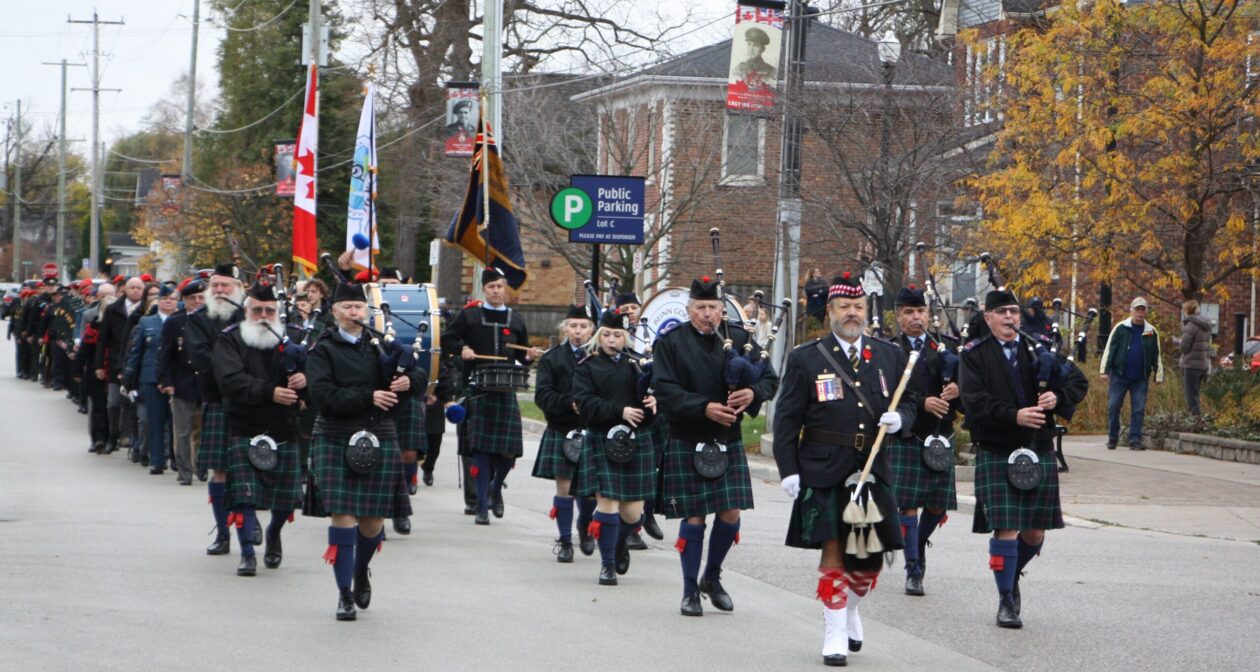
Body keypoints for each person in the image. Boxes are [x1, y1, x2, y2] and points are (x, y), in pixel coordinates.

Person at [773, 272, 916, 666]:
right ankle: (834, 630)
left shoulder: (889, 355)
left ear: (865, 311)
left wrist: (901, 419)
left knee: (869, 560)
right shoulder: (807, 357)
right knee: (833, 549)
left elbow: (912, 402)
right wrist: (788, 469)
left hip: (870, 470)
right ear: (830, 313)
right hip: (823, 467)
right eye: (844, 307)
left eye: (858, 307)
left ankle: (850, 608)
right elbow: (786, 420)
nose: (851, 314)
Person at [959, 289, 1088, 629]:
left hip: (1037, 448)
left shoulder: (1037, 349)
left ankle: (1011, 575)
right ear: (987, 317)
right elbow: (974, 402)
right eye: (1001, 312)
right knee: (1006, 528)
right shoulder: (975, 355)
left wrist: (1055, 396)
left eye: (1014, 311)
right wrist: (1014, 415)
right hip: (998, 449)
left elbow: (1078, 381)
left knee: (1033, 535)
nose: (1009, 318)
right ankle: (1006, 602)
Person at [652, 275, 779, 617]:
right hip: (687, 436)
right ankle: (690, 589)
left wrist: (753, 393)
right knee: (694, 516)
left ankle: (712, 576)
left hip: (727, 439)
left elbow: (770, 378)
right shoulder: (671, 342)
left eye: (713, 307)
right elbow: (663, 388)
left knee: (731, 512)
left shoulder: (741, 340)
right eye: (700, 307)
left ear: (723, 310)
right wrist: (702, 407)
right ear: (689, 308)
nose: (707, 314)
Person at [306, 281, 420, 620]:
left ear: (367, 311)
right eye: (348, 308)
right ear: (335, 312)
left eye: (359, 307)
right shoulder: (321, 348)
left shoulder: (379, 346)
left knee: (372, 522)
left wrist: (407, 382)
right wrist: (367, 396)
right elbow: (322, 395)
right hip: (335, 434)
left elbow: (418, 378)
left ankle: (359, 569)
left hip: (379, 432)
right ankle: (343, 594)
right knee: (342, 516)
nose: (355, 313)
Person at [213, 282, 306, 577]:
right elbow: (230, 380)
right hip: (245, 423)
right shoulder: (230, 340)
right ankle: (247, 554)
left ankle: (275, 531)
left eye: (270, 310)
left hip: (283, 425)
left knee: (284, 497)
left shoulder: (294, 339)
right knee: (245, 496)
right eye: (257, 309)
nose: (263, 315)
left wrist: (305, 383)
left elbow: (318, 374)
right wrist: (270, 392)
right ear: (246, 310)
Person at [441, 267, 542, 525]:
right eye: (491, 287)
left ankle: (495, 489)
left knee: (508, 452)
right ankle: (481, 507)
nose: (496, 291)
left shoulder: (516, 319)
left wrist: (528, 357)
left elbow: (521, 356)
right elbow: (447, 341)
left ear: (505, 288)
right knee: (481, 451)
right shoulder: (469, 316)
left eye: (499, 286)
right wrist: (462, 349)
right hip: (478, 389)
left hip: (506, 390)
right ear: (484, 290)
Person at [572, 309, 658, 585]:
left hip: (636, 441)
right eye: (606, 334)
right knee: (607, 505)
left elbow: (657, 400)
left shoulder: (639, 365)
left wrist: (656, 404)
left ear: (626, 336)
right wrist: (619, 411)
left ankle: (621, 540)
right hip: (602, 438)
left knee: (634, 515)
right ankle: (607, 564)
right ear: (598, 335)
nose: (611, 340)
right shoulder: (587, 366)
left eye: (618, 335)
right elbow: (584, 404)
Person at [890, 286, 958, 597]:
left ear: (928, 315)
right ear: (898, 316)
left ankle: (915, 545)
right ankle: (913, 567)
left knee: (937, 504)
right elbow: (886, 390)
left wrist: (959, 391)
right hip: (908, 434)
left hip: (940, 436)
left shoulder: (946, 348)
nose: (916, 317)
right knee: (907, 507)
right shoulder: (889, 350)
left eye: (921, 312)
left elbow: (972, 388)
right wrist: (922, 402)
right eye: (909, 312)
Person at [187, 264, 248, 555]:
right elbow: (202, 358)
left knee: (252, 470)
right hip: (220, 400)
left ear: (238, 286)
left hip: (254, 403)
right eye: (216, 285)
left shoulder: (256, 315)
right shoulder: (200, 319)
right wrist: (239, 376)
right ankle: (223, 534)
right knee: (220, 471)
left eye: (226, 285)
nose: (220, 291)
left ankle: (248, 521)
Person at [531, 305, 598, 562]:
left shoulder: (598, 356)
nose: (578, 331)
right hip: (563, 428)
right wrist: (568, 404)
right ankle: (565, 540)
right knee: (565, 488)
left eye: (583, 327)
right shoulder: (552, 358)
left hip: (593, 429)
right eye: (573, 326)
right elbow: (542, 395)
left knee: (590, 490)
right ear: (564, 328)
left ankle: (585, 526)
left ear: (591, 330)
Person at [613, 291, 662, 547]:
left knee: (652, 469)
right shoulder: (615, 336)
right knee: (627, 471)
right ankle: (632, 529)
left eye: (634, 307)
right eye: (625, 308)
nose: (630, 311)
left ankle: (648, 513)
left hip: (653, 411)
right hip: (626, 410)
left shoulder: (653, 331)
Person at [124, 284, 178, 475]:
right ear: (158, 301)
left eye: (172, 298)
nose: (168, 301)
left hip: (175, 378)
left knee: (175, 422)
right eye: (164, 298)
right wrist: (130, 375)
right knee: (154, 420)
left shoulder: (182, 321)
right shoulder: (147, 322)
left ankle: (176, 458)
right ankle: (157, 460)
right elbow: (136, 351)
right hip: (150, 377)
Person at [1099, 297, 1163, 450]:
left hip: (1140, 377)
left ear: (1146, 311)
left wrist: (1158, 374)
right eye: (1137, 309)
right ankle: (1113, 438)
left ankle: (1135, 440)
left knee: (1138, 409)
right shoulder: (1121, 328)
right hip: (1119, 375)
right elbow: (1110, 349)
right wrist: (1104, 370)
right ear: (1131, 310)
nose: (1140, 312)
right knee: (1113, 406)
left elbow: (1156, 354)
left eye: (1143, 309)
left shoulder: (1151, 332)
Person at [158, 279, 206, 484]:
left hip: (205, 382)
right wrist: (166, 380)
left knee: (203, 429)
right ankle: (185, 471)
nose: (197, 301)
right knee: (183, 430)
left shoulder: (211, 320)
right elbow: (164, 355)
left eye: (200, 297)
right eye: (192, 298)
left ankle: (201, 466)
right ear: (184, 301)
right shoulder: (175, 322)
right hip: (182, 381)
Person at [95, 276, 145, 454]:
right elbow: (103, 339)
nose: (136, 291)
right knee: (114, 402)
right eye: (132, 287)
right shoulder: (113, 309)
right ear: (124, 290)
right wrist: (99, 364)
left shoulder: (147, 310)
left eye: (139, 288)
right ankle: (112, 437)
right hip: (116, 361)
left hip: (138, 363)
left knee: (132, 404)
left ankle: (130, 437)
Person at [1176, 300, 1212, 416]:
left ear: (1187, 311)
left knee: (1191, 396)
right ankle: (1197, 420)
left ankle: (1195, 422)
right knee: (1196, 394)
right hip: (1202, 364)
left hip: (1191, 365)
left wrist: (1179, 342)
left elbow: (1184, 348)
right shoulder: (1206, 324)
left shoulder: (1191, 326)